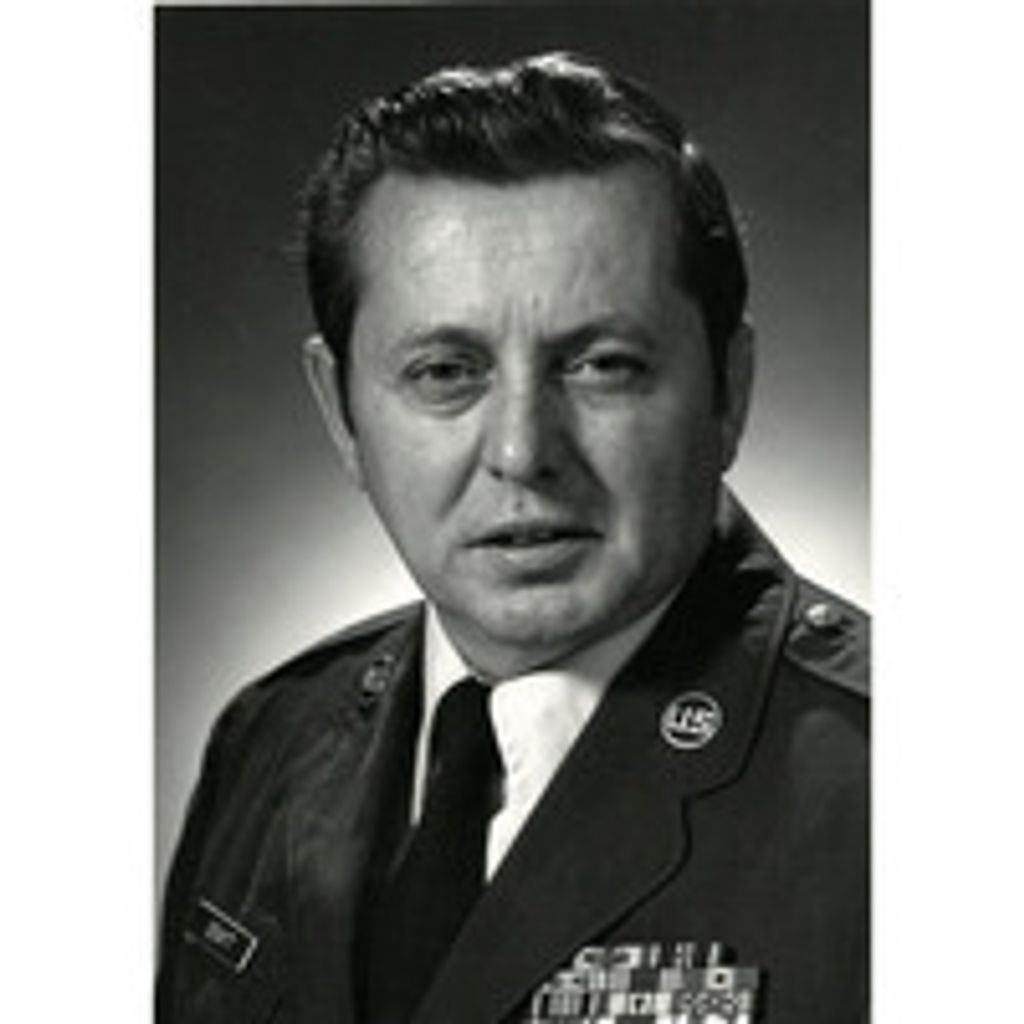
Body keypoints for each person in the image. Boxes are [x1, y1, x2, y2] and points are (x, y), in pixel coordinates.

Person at [157, 52, 868, 1024]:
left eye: (603, 365)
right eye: (446, 372)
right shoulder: (271, 737)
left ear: (727, 392)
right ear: (340, 412)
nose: (523, 452)